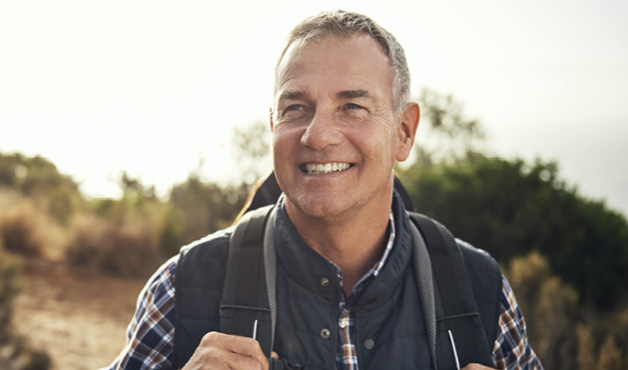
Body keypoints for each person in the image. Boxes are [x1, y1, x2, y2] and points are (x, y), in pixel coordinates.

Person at [104, 10, 543, 370]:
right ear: (274, 126)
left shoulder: (479, 289)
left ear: (404, 132)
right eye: (297, 108)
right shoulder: (182, 287)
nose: (318, 135)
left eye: (352, 106)